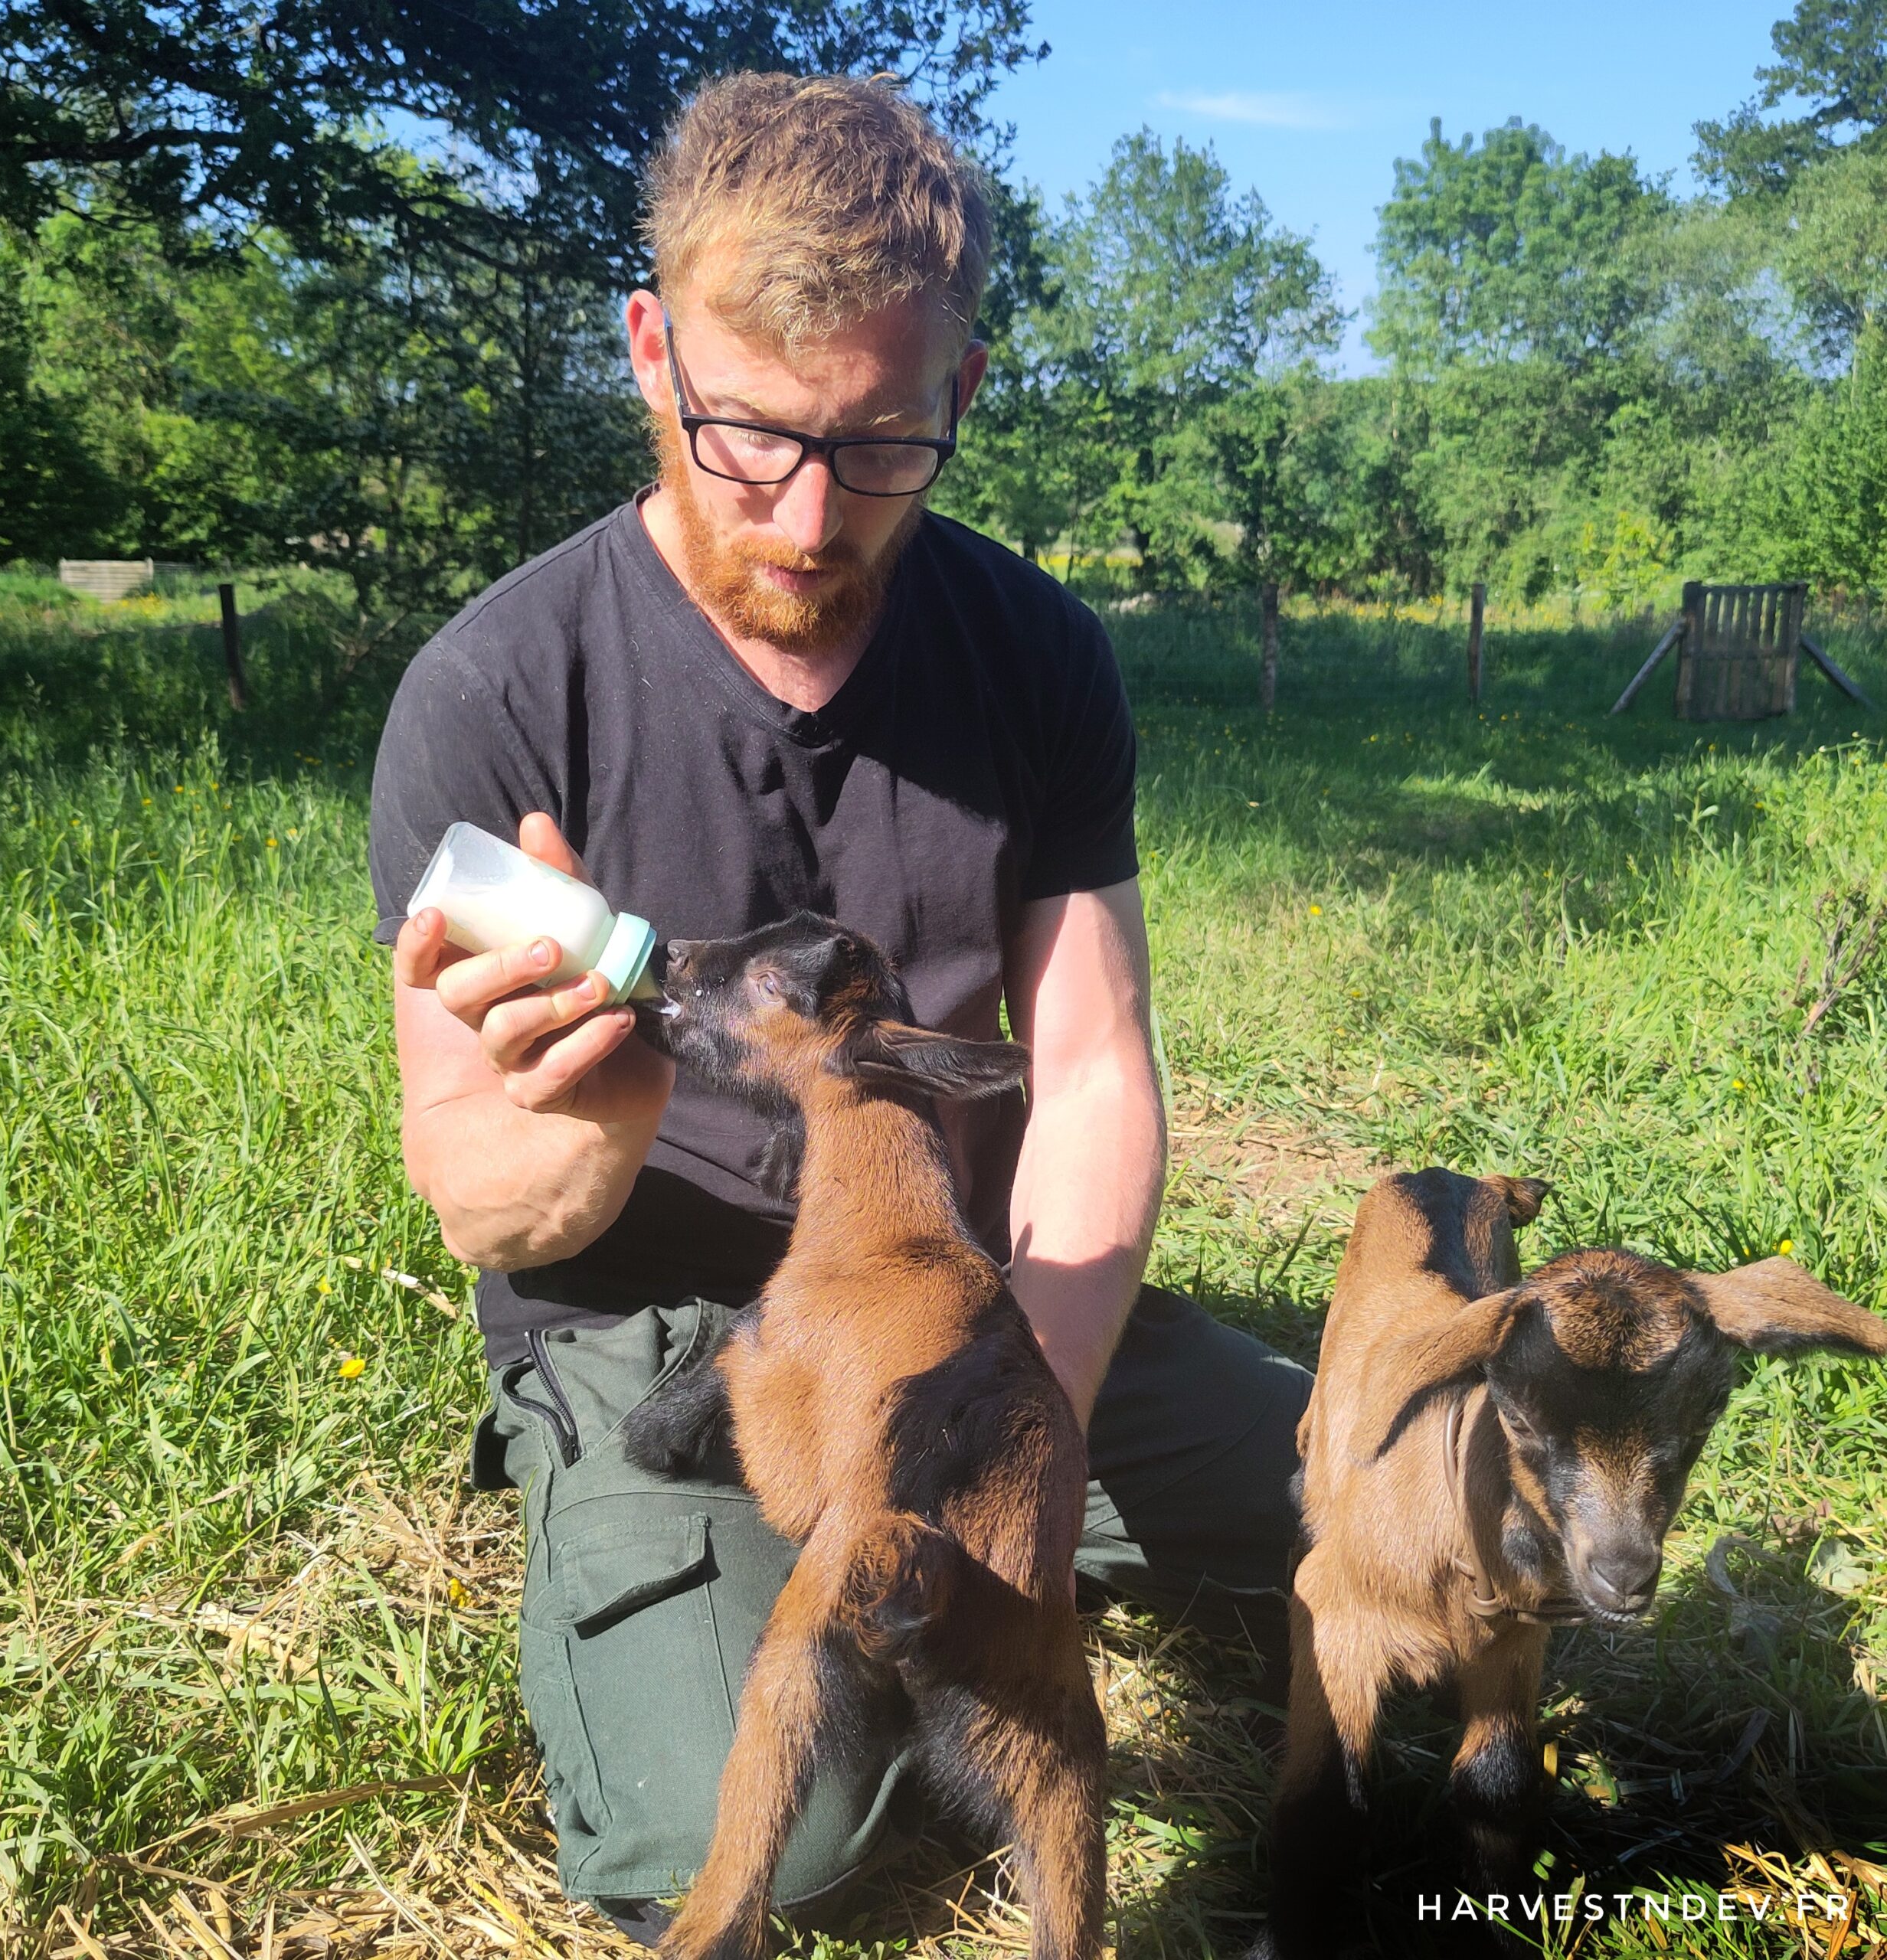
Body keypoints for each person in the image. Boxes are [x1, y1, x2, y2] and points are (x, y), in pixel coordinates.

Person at [368, 69, 1312, 1942]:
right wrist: (592, 1115)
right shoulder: (492, 690)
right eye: (746, 434)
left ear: (956, 393)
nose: (807, 515)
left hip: (975, 1312)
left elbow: (1096, 1066)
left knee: (1418, 1508)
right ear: (651, 351)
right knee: (770, 1847)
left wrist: (1026, 1407)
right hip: (681, 1343)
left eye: (878, 443)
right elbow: (483, 1202)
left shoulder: (1033, 651)